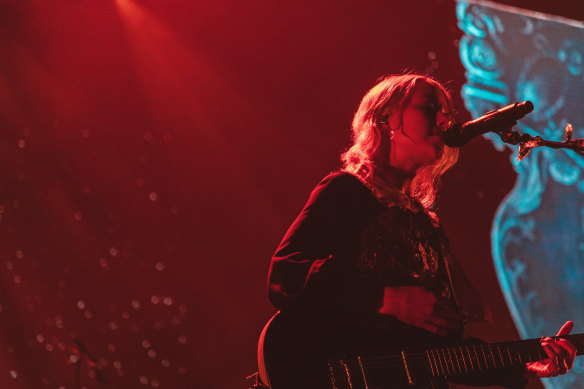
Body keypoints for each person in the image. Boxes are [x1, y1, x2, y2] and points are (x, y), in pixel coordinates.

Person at [262, 74, 577, 389]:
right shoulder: (345, 191)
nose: (444, 120)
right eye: (429, 108)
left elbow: (439, 354)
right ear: (385, 118)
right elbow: (286, 275)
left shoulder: (426, 225)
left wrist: (523, 365)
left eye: (448, 115)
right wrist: (388, 300)